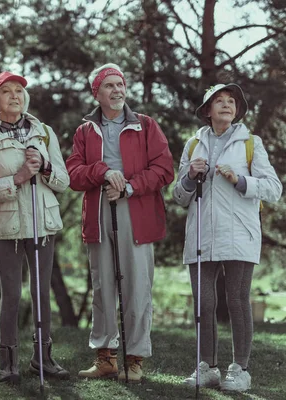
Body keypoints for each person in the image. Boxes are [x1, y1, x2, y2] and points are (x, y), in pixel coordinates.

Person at [66, 63, 174, 382]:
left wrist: (128, 186)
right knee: (103, 287)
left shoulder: (146, 125)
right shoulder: (85, 131)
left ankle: (135, 359)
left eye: (120, 84)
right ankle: (106, 357)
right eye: (109, 86)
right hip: (98, 211)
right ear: (96, 93)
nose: (117, 90)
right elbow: (73, 174)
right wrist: (101, 172)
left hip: (136, 210)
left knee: (137, 288)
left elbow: (164, 169)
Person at [173, 83, 282, 392]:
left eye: (230, 101)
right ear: (207, 110)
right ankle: (207, 367)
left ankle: (240, 369)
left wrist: (240, 180)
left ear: (236, 109)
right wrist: (189, 176)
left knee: (236, 300)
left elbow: (274, 188)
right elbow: (179, 196)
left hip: (240, 234)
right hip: (201, 235)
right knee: (203, 303)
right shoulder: (193, 144)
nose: (225, 105)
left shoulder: (251, 143)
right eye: (218, 101)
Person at [0, 71, 70, 384]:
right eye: (6, 91)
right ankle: (8, 363)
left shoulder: (44, 133)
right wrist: (18, 178)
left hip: (42, 223)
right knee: (11, 294)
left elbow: (64, 182)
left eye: (18, 91)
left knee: (41, 293)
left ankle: (43, 359)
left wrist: (45, 166)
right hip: (7, 226)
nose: (14, 96)